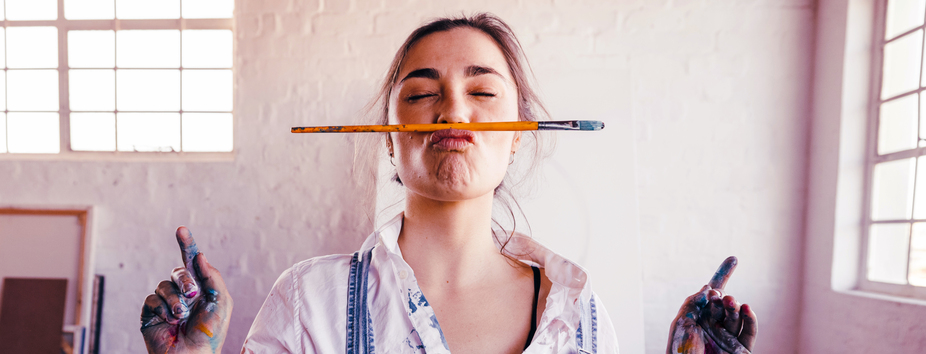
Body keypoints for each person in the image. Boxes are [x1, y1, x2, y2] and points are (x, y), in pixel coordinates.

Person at [139, 13, 757, 354]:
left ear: (519, 134)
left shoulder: (579, 312)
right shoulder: (310, 301)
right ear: (389, 134)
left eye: (483, 91)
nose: (453, 111)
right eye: (422, 93)